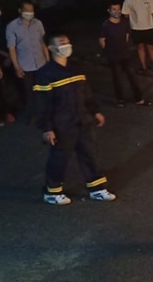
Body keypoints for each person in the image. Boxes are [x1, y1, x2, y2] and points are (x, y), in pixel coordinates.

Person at [33, 33, 115, 206]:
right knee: (60, 158)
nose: (66, 45)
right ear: (51, 48)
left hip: (83, 120)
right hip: (62, 124)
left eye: (67, 42)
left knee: (90, 154)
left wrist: (95, 111)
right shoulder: (45, 74)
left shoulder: (76, 68)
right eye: (61, 43)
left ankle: (97, 189)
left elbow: (87, 92)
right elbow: (42, 104)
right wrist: (47, 128)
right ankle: (52, 192)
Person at [6, 1, 49, 123]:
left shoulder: (38, 23)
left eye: (31, 10)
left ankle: (45, 114)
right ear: (20, 11)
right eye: (27, 10)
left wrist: (48, 61)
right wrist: (17, 67)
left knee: (43, 90)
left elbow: (43, 43)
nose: (30, 13)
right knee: (29, 93)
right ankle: (33, 115)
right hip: (25, 65)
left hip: (40, 63)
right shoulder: (12, 26)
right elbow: (12, 48)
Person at [100, 3, 150, 107]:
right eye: (114, 9)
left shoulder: (124, 23)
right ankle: (120, 100)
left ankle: (139, 99)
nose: (117, 11)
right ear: (109, 11)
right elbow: (102, 40)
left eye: (118, 9)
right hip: (113, 56)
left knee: (133, 77)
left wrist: (124, 47)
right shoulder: (106, 25)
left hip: (125, 55)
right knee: (118, 79)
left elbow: (126, 36)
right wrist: (110, 50)